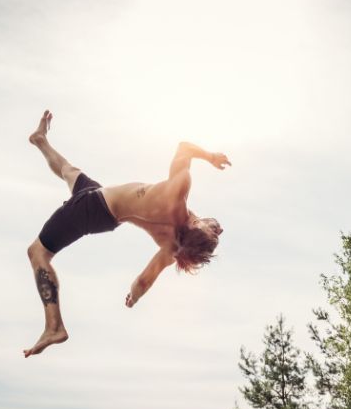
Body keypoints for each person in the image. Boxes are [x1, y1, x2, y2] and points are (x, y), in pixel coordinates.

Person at [24, 110, 231, 357]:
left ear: (198, 225)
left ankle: (54, 326)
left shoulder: (177, 193)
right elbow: (144, 281)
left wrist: (211, 157)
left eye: (212, 227)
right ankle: (40, 140)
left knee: (37, 252)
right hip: (103, 209)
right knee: (69, 172)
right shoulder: (172, 248)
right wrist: (133, 297)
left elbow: (184, 147)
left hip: (93, 207)